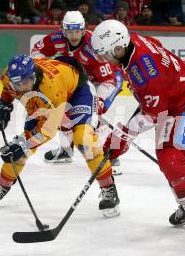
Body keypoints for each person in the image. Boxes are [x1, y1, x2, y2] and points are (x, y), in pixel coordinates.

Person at [91, 20, 185, 252]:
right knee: (168, 161)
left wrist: (122, 137)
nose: (103, 60)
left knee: (171, 158)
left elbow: (155, 112)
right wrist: (124, 134)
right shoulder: (131, 43)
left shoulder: (144, 69)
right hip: (173, 102)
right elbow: (154, 100)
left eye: (105, 54)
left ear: (118, 48)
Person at [0, 55, 121, 218]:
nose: (21, 88)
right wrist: (4, 104)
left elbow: (47, 131)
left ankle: (109, 189)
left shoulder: (51, 88)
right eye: (16, 84)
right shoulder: (8, 76)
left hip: (77, 93)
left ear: (34, 76)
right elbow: (8, 90)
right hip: (44, 100)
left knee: (84, 139)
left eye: (25, 83)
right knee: (21, 147)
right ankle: (2, 186)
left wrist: (24, 144)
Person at [30, 11, 124, 175]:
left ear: (83, 29)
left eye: (77, 31)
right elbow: (36, 52)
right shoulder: (56, 38)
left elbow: (109, 80)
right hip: (75, 82)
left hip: (102, 81)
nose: (73, 36)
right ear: (63, 30)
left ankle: (108, 155)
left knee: (94, 118)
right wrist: (48, 67)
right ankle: (66, 150)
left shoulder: (93, 45)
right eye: (70, 32)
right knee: (62, 109)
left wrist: (100, 101)